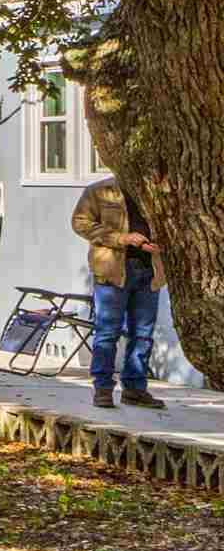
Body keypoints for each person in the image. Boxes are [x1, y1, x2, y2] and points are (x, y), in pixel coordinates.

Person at [71, 175, 168, 409]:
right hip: (113, 270)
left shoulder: (155, 188)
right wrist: (121, 238)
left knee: (143, 334)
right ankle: (102, 389)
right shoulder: (100, 190)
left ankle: (135, 389)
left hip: (149, 270)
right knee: (107, 332)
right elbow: (80, 222)